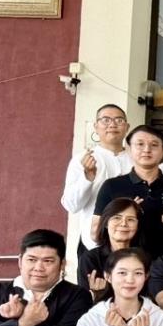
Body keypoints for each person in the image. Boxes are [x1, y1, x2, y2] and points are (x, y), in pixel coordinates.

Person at [95, 126, 163, 259]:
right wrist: (127, 212)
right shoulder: (112, 186)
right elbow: (96, 232)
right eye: (140, 144)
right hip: (124, 262)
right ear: (129, 149)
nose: (147, 150)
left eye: (154, 145)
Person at [61, 105, 132, 256]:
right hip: (92, 243)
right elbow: (72, 206)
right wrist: (87, 178)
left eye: (119, 120)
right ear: (96, 126)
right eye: (106, 120)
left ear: (127, 127)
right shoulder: (82, 159)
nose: (112, 125)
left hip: (132, 242)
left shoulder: (136, 159)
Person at [79, 200, 143, 301]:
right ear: (106, 223)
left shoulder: (145, 258)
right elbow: (83, 302)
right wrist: (96, 295)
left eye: (130, 219)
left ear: (138, 225)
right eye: (117, 218)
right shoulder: (90, 259)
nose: (123, 224)